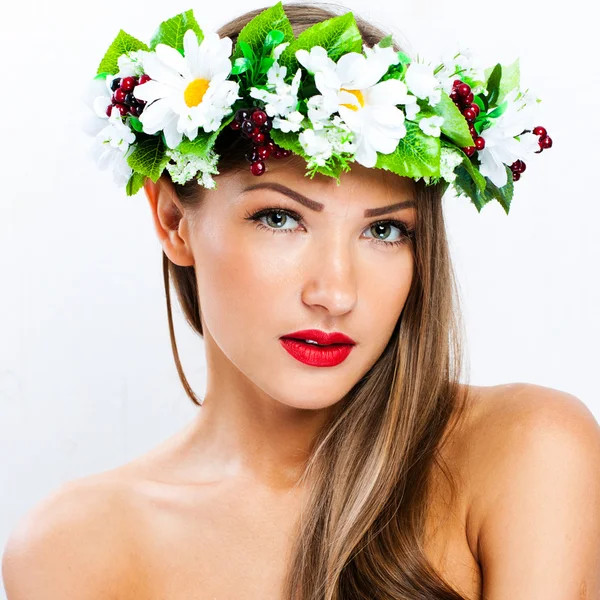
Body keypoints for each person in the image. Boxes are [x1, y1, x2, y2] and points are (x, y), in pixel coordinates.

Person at [3, 3, 600, 599]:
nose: (335, 294)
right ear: (172, 221)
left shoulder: (528, 451)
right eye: (280, 217)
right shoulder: (76, 548)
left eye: (384, 231)